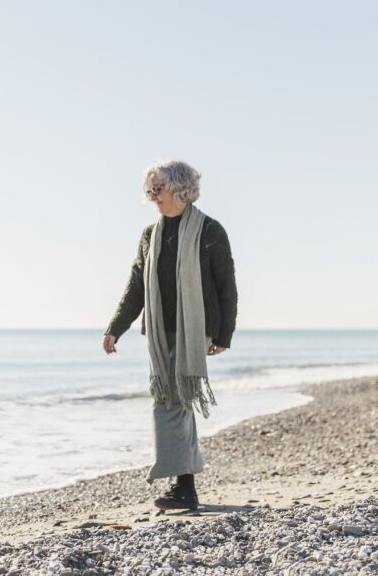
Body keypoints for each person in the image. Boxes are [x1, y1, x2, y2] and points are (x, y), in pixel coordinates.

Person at [102, 160, 238, 510]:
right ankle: (185, 485)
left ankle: (184, 487)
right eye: (149, 190)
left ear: (180, 188)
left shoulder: (209, 231)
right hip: (160, 333)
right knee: (175, 401)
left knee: (173, 402)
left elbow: (227, 285)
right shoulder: (150, 236)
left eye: (157, 189)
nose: (152, 197)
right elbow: (136, 285)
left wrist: (224, 334)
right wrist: (116, 327)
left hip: (196, 330)